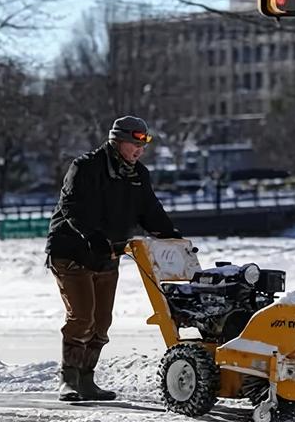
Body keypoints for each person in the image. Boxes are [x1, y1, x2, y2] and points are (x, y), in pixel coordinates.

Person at [45, 115, 180, 401]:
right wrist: (90, 235)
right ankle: (68, 379)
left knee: (101, 322)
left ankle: (86, 380)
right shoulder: (85, 167)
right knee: (82, 317)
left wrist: (171, 236)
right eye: (134, 144)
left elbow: (150, 210)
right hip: (72, 252)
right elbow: (71, 207)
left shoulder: (138, 175)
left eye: (143, 145)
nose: (139, 151)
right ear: (117, 141)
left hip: (107, 253)